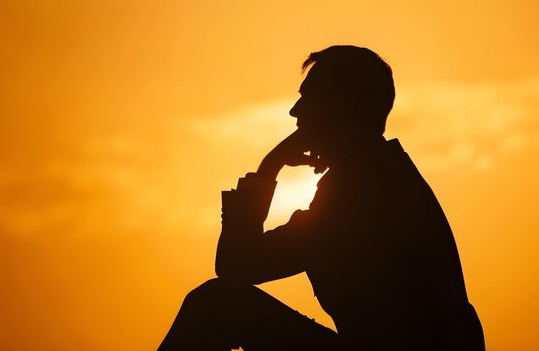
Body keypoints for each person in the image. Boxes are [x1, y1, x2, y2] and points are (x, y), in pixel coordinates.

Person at [158, 45, 485, 350]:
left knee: (218, 304)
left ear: (338, 108)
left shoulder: (363, 188)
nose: (294, 111)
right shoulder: (375, 173)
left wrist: (269, 168)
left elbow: (235, 266)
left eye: (308, 99)